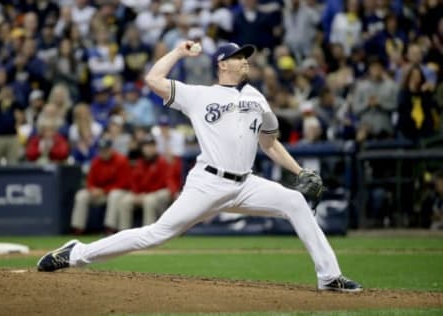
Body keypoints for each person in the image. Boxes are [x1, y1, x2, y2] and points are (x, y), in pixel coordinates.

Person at [37, 41, 362, 292]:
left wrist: (299, 172)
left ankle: (329, 277)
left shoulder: (258, 98)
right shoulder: (199, 96)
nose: (245, 60)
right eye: (238, 56)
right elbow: (153, 78)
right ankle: (76, 253)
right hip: (208, 183)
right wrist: (178, 52)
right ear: (222, 64)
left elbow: (270, 144)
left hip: (246, 183)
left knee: (294, 201)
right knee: (155, 235)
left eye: (245, 56)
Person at [70, 137, 132, 234]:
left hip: (119, 191)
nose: (104, 152)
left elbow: (124, 183)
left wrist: (104, 190)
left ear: (111, 149)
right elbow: (89, 181)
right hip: (100, 193)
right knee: (82, 195)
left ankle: (110, 227)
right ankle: (78, 228)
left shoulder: (121, 160)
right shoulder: (96, 161)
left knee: (114, 195)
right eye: (101, 150)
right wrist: (92, 189)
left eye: (106, 149)